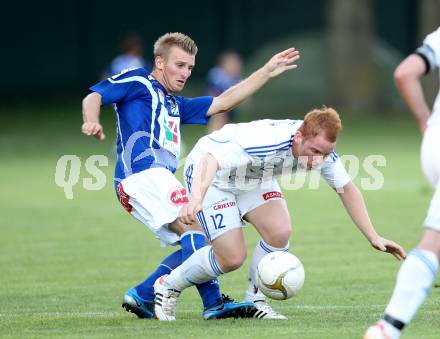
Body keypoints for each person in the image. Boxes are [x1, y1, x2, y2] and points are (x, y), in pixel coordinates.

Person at [81, 32, 300, 320]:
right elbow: (95, 94)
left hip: (156, 179)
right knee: (197, 226)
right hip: (141, 175)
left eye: (190, 68)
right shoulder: (138, 81)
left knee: (205, 238)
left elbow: (223, 103)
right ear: (159, 62)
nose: (185, 73)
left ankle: (144, 294)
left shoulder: (175, 104)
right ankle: (212, 304)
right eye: (179, 65)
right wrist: (91, 120)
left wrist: (265, 73)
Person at [152, 107, 407, 321]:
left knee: (279, 231)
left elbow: (347, 189)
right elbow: (209, 160)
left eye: (325, 154)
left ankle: (255, 300)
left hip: (252, 177)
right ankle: (168, 285)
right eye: (315, 152)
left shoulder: (321, 151)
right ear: (298, 138)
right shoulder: (266, 142)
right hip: (212, 175)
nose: (319, 161)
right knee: (231, 257)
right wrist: (196, 198)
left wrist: (373, 236)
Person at [364, 27, 440, 339]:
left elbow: (405, 73)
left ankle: (387, 329)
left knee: (434, 243)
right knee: (433, 244)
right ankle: (388, 329)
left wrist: (425, 122)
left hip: (435, 144)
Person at [205, 51, 243, 132]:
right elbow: (214, 93)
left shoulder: (236, 77)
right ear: (224, 64)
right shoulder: (217, 75)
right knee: (217, 128)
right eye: (232, 64)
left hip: (230, 108)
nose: (235, 66)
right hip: (218, 107)